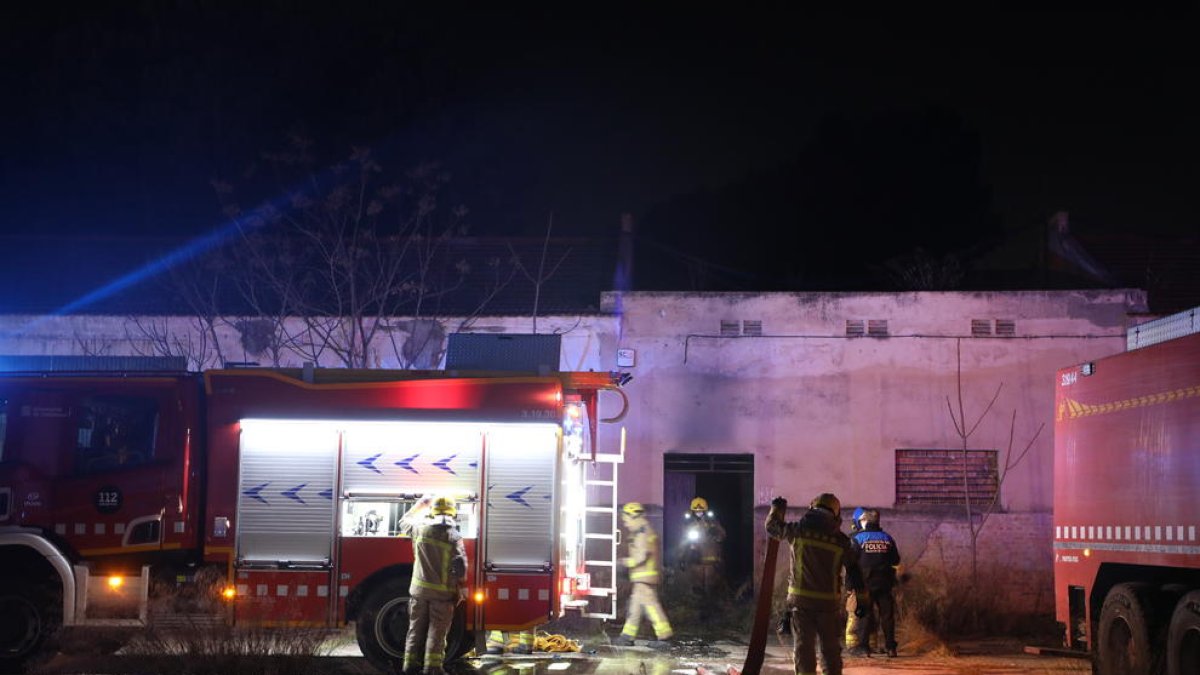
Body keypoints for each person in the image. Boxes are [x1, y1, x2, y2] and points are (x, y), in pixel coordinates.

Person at [766, 493, 864, 675]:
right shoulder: (841, 541)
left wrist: (777, 509)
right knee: (830, 650)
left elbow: (772, 527)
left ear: (812, 508)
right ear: (835, 513)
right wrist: (862, 600)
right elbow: (855, 571)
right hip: (829, 605)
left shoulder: (798, 531)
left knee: (803, 648)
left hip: (800, 603)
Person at [398, 495, 468, 675]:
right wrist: (461, 589)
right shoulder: (454, 537)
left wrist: (420, 505)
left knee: (415, 630)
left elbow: (403, 522)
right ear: (452, 513)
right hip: (442, 595)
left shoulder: (419, 529)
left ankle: (409, 666)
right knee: (437, 632)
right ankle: (432, 668)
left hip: (419, 592)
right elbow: (460, 567)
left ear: (433, 511)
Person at [614, 502, 674, 648]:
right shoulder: (641, 531)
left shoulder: (642, 533)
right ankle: (627, 636)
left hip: (645, 577)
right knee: (635, 607)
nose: (625, 523)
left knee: (651, 606)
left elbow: (641, 556)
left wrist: (624, 563)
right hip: (642, 577)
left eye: (626, 520)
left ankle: (664, 637)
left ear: (634, 516)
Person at [850, 508, 901, 658]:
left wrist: (849, 585)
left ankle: (863, 647)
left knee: (865, 614)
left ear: (865, 523)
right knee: (887, 615)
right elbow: (896, 560)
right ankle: (891, 647)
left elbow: (850, 562)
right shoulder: (887, 538)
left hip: (865, 583)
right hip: (885, 582)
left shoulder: (858, 538)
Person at [678, 496, 726, 595]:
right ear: (692, 511)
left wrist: (715, 532)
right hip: (696, 557)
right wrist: (681, 558)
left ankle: (712, 598)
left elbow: (722, 536)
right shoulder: (689, 524)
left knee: (711, 584)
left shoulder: (712, 523)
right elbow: (683, 541)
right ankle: (698, 599)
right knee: (697, 584)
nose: (699, 512)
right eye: (696, 511)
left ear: (705, 510)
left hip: (711, 558)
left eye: (701, 510)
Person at [843, 507, 871, 654]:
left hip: (867, 584)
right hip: (857, 584)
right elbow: (849, 565)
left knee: (869, 616)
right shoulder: (852, 539)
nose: (866, 522)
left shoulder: (862, 538)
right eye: (863, 520)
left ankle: (868, 645)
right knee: (854, 614)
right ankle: (852, 646)